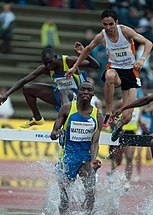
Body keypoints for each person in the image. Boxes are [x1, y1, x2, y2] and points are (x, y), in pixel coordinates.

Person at [65, 9, 152, 142]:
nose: (108, 28)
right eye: (105, 24)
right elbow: (88, 49)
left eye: (111, 24)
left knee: (128, 117)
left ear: (116, 22)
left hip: (131, 71)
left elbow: (148, 43)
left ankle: (119, 126)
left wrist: (142, 59)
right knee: (109, 76)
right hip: (115, 70)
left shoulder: (125, 31)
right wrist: (75, 66)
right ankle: (108, 111)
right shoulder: (102, 36)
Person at [0, 42, 100, 128]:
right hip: (61, 96)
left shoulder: (68, 61)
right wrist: (6, 94)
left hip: (79, 95)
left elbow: (96, 66)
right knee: (27, 88)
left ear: (56, 57)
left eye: (50, 62)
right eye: (45, 63)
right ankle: (37, 118)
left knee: (63, 92)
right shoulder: (45, 68)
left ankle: (66, 123)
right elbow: (23, 81)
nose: (48, 66)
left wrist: (84, 54)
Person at [50, 81, 103, 215]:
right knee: (65, 195)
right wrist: (57, 133)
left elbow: (95, 142)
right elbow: (53, 133)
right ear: (78, 92)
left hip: (85, 158)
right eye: (83, 90)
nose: (85, 92)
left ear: (93, 94)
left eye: (89, 90)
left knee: (90, 192)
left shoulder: (97, 116)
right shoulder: (67, 109)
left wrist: (93, 160)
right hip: (68, 156)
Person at [112, 93, 153, 157]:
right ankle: (114, 165)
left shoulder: (139, 107)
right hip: (122, 131)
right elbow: (147, 99)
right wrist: (123, 108)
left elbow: (138, 120)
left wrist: (144, 128)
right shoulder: (121, 102)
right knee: (119, 159)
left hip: (133, 131)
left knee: (129, 156)